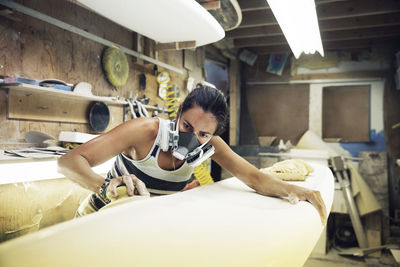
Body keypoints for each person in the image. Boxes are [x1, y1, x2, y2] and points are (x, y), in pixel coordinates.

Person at [58, 84, 327, 224]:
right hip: (98, 216)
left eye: (203, 134)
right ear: (177, 114)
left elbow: (254, 178)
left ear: (213, 134)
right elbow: (68, 162)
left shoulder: (210, 146)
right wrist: (104, 186)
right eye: (187, 126)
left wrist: (292, 189)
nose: (192, 138)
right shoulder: (144, 132)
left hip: (140, 223)